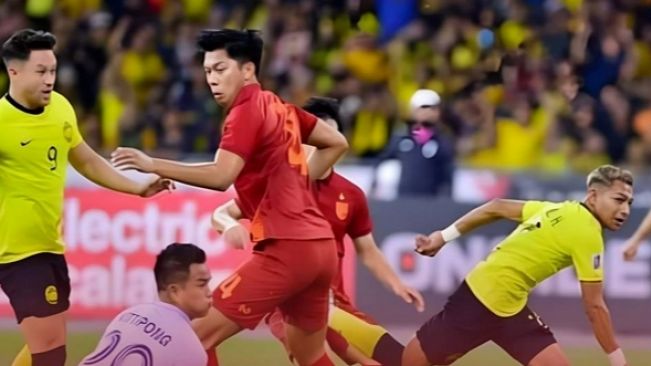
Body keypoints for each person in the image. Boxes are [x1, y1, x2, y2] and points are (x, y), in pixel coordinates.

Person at [110, 29, 349, 366]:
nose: (212, 79)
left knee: (192, 337)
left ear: (247, 70)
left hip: (288, 250)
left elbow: (222, 176)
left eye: (220, 69)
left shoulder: (245, 111)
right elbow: (337, 143)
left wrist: (153, 164)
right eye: (208, 71)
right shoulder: (280, 107)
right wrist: (296, 183)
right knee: (310, 357)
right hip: (320, 249)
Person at [0, 29, 172, 366]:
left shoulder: (62, 108)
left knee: (50, 344)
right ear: (14, 72)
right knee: (51, 355)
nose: (50, 79)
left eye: (52, 70)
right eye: (41, 72)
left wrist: (136, 187)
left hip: (51, 246)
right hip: (17, 253)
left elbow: (87, 160)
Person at [212, 96, 425, 366]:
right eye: (314, 138)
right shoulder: (278, 186)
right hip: (289, 301)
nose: (321, 145)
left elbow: (368, 250)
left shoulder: (351, 194)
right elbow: (222, 212)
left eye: (329, 136)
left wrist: (398, 284)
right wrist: (229, 225)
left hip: (336, 304)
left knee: (394, 359)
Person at [403, 164, 632, 366]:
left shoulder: (557, 208)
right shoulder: (588, 232)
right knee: (410, 362)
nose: (625, 211)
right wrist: (618, 360)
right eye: (619, 200)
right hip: (479, 302)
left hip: (510, 308)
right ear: (592, 197)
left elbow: (496, 206)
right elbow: (594, 307)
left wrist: (443, 237)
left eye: (629, 203)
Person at [80, 243, 211, 366]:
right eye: (202, 284)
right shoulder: (191, 350)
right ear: (174, 291)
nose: (209, 292)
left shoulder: (129, 314)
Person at [377, 89, 455, 197]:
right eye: (424, 107)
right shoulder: (401, 139)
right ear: (413, 110)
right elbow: (382, 162)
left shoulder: (443, 142)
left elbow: (447, 176)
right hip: (402, 201)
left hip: (431, 203)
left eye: (433, 108)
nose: (428, 112)